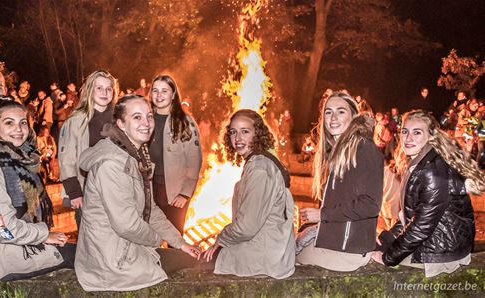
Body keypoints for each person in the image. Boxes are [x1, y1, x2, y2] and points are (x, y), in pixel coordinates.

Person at [75, 95, 201, 291]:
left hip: (124, 248)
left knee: (187, 257)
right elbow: (127, 225)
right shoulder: (112, 165)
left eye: (149, 116)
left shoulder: (134, 155)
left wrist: (180, 242)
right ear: (121, 124)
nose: (146, 123)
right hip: (112, 261)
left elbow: (148, 210)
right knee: (190, 267)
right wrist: (158, 241)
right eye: (137, 117)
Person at [0, 100, 74, 284]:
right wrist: (44, 235)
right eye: (9, 123)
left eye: (23, 122)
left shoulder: (23, 158)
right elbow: (3, 229)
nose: (19, 129)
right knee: (85, 257)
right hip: (8, 256)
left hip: (22, 246)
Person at [372, 110, 483, 277]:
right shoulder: (420, 162)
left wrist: (389, 257)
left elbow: (422, 225)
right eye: (405, 131)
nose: (408, 138)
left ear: (431, 136)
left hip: (443, 251)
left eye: (417, 132)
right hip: (437, 242)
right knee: (376, 246)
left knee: (377, 264)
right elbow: (413, 216)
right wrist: (388, 237)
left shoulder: (433, 170)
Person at [202, 109, 296, 279]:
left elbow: (246, 227)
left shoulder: (259, 168)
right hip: (266, 251)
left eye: (245, 131)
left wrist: (220, 240)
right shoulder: (259, 162)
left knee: (193, 265)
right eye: (233, 132)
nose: (238, 138)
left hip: (263, 257)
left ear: (258, 134)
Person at [295, 92, 383, 271]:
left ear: (353, 116)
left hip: (349, 251)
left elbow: (370, 205)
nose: (333, 117)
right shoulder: (336, 153)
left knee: (286, 262)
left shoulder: (364, 149)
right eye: (328, 112)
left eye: (341, 112)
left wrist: (323, 215)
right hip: (335, 243)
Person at [58, 70, 117, 228]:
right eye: (99, 88)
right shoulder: (76, 121)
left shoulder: (119, 120)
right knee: (90, 241)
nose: (104, 92)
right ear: (90, 89)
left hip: (115, 191)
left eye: (108, 88)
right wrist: (74, 192)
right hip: (86, 191)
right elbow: (66, 158)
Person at [149, 75, 202, 235]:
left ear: (173, 94)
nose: (159, 95)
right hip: (150, 190)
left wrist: (185, 193)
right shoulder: (145, 119)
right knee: (150, 238)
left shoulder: (185, 122)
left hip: (174, 192)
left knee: (175, 238)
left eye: (164, 91)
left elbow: (194, 160)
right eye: (155, 91)